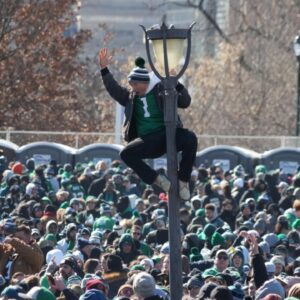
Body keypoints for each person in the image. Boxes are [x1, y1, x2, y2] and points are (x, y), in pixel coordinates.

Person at [98, 48, 198, 201]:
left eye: (135, 84)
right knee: (125, 153)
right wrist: (104, 69)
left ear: (146, 83)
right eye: (131, 84)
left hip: (168, 134)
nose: (133, 87)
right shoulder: (130, 98)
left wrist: (175, 83)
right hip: (148, 141)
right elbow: (114, 88)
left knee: (191, 138)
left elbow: (186, 102)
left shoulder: (161, 90)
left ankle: (183, 181)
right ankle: (157, 179)